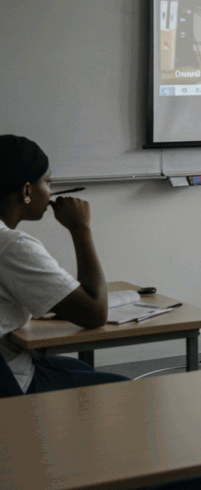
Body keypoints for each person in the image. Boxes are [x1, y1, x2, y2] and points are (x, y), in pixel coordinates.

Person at [0, 135, 128, 394]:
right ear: (26, 191)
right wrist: (81, 230)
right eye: (47, 182)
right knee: (128, 391)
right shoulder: (12, 246)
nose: (50, 193)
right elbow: (95, 313)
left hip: (9, 355)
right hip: (8, 377)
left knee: (82, 369)